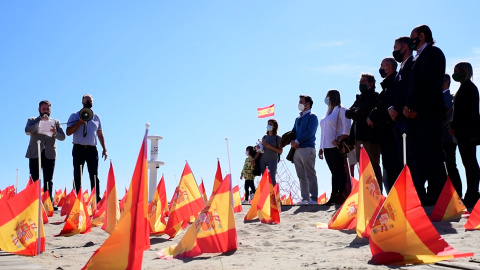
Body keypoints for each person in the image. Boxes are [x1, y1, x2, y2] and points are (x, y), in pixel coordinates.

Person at [403, 25, 446, 205]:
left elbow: (426, 82)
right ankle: (432, 191)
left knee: (434, 151)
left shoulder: (434, 53)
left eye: (413, 37)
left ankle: (440, 192)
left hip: (429, 111)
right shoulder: (419, 56)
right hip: (419, 113)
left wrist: (411, 106)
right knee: (425, 153)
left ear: (422, 36)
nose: (411, 40)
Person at [367, 58, 402, 193]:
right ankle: (392, 193)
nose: (380, 68)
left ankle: (396, 194)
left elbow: (385, 104)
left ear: (389, 67)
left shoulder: (394, 82)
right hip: (384, 131)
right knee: (387, 164)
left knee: (394, 164)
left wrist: (372, 116)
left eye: (382, 66)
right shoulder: (386, 86)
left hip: (390, 129)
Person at [449, 62, 480, 208]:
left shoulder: (468, 88)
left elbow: (465, 113)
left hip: (467, 132)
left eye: (457, 71)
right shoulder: (466, 88)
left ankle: (472, 194)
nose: (455, 73)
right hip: (465, 132)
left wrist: (454, 125)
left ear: (464, 71)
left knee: (470, 163)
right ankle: (472, 193)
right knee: (469, 163)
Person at [345, 73, 382, 191]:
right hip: (357, 138)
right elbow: (348, 113)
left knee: (373, 167)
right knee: (362, 168)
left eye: (363, 83)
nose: (360, 85)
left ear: (371, 84)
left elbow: (360, 114)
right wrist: (356, 112)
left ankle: (377, 194)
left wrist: (356, 112)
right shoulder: (359, 98)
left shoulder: (374, 96)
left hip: (369, 138)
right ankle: (366, 195)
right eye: (359, 83)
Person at [66, 94, 107, 202]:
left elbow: (100, 133)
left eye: (90, 101)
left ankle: (96, 198)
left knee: (94, 174)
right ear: (82, 102)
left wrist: (104, 148)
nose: (88, 103)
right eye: (86, 101)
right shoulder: (74, 116)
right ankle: (77, 198)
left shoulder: (96, 117)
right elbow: (68, 132)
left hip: (92, 149)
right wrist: (79, 122)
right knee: (78, 174)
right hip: (78, 148)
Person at [25, 100, 65, 203]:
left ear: (50, 110)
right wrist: (39, 123)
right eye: (44, 109)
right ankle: (33, 203)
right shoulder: (32, 120)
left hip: (50, 153)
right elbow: (27, 131)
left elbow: (63, 137)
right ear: (39, 109)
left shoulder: (56, 122)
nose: (45, 111)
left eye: (47, 109)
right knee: (34, 179)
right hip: (35, 153)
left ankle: (48, 202)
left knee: (49, 179)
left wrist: (55, 133)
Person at [318, 90, 351, 205]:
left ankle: (341, 194)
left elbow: (347, 129)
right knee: (333, 171)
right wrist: (321, 147)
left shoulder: (342, 110)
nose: (326, 99)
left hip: (336, 146)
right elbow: (323, 133)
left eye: (328, 97)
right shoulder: (327, 113)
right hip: (326, 146)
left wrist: (338, 139)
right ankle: (334, 195)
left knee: (340, 170)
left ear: (333, 97)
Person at [389, 36, 415, 179]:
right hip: (397, 120)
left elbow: (410, 89)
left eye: (395, 48)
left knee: (412, 157)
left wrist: (401, 108)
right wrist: (390, 108)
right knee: (402, 158)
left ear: (404, 47)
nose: (394, 51)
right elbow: (393, 93)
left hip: (407, 118)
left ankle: (418, 193)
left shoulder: (413, 64)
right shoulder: (400, 69)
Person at [291, 95, 319, 205]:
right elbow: (293, 132)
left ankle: (314, 198)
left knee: (310, 174)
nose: (299, 104)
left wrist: (297, 141)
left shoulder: (313, 116)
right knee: (301, 175)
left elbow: (310, 132)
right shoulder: (297, 118)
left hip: (308, 148)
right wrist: (293, 141)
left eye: (301, 102)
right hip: (297, 150)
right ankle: (305, 198)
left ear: (308, 104)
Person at [441, 74, 462, 198]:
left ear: (446, 82)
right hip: (440, 137)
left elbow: (448, 117)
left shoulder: (450, 97)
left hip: (447, 137)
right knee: (443, 167)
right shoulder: (438, 97)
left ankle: (457, 194)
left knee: (450, 166)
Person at [253, 119, 283, 186]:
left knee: (272, 178)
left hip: (273, 160)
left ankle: (274, 195)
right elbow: (259, 150)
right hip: (263, 160)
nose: (268, 125)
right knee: (264, 179)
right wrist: (254, 159)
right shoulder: (264, 137)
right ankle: (265, 195)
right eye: (268, 124)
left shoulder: (278, 138)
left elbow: (280, 151)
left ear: (274, 126)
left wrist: (270, 146)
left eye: (270, 124)